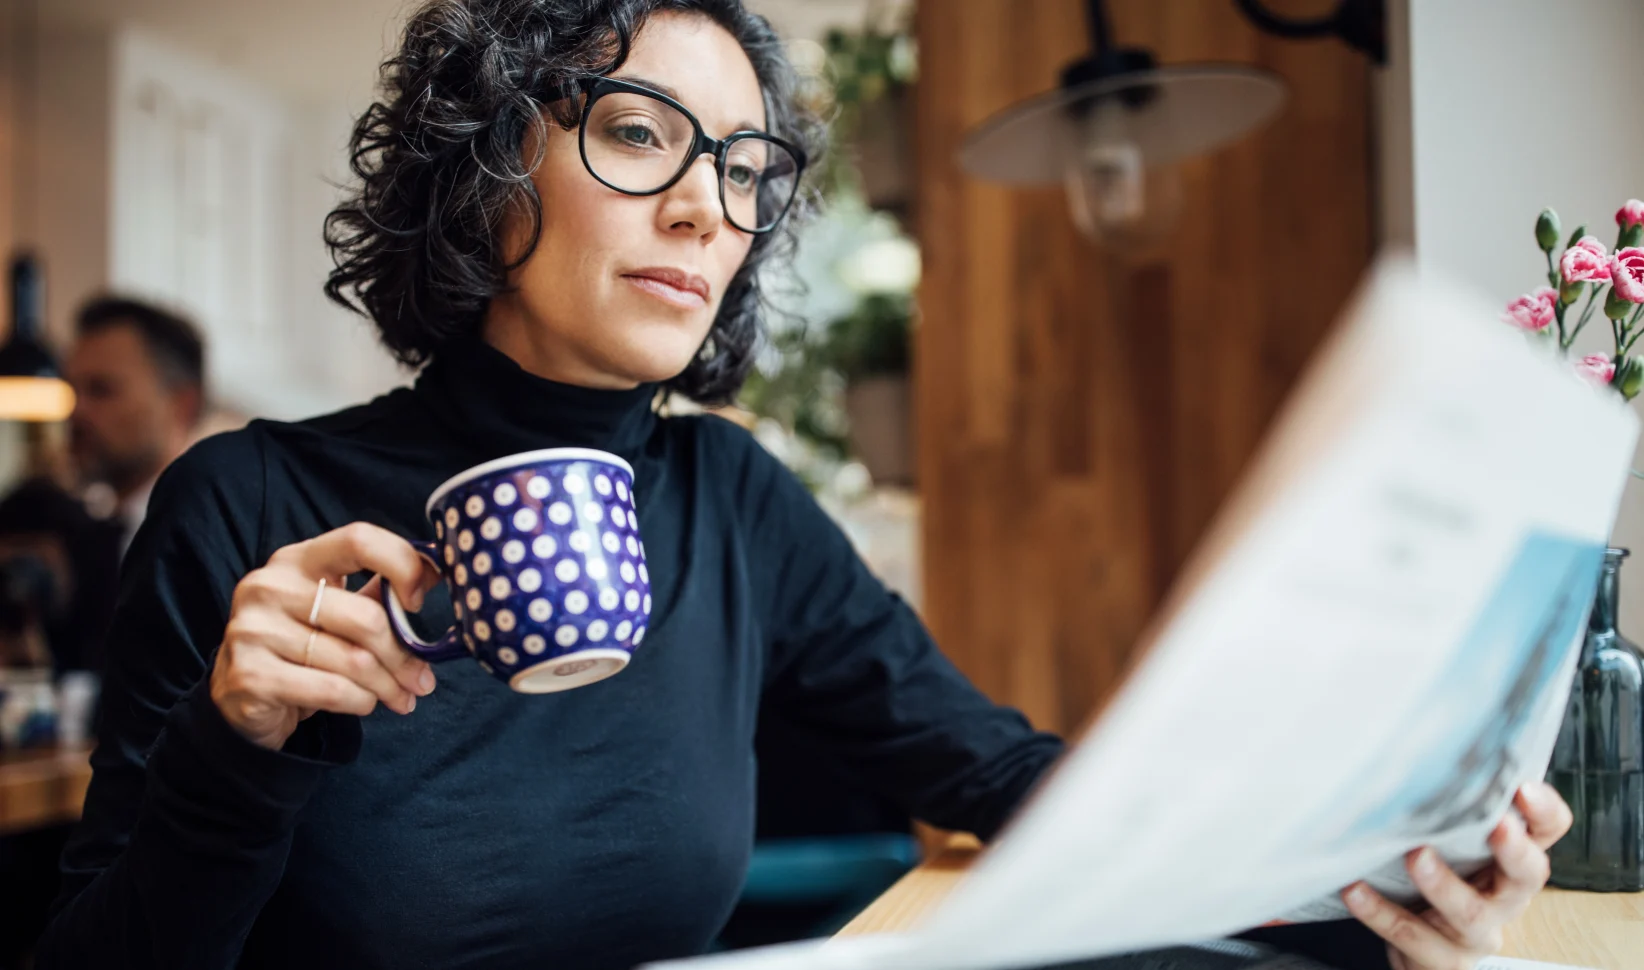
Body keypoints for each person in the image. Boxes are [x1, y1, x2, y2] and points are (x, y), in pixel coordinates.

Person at [36, 3, 1570, 969]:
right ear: (489, 157)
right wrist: (237, 749)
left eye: (748, 169)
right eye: (642, 134)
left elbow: (1002, 777)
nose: (709, 205)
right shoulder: (248, 508)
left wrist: (1376, 873)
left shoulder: (730, 500)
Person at [62, 296, 205, 555]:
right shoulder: (84, 534)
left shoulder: (207, 539)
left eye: (101, 390)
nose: (76, 410)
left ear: (181, 405)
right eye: (73, 390)